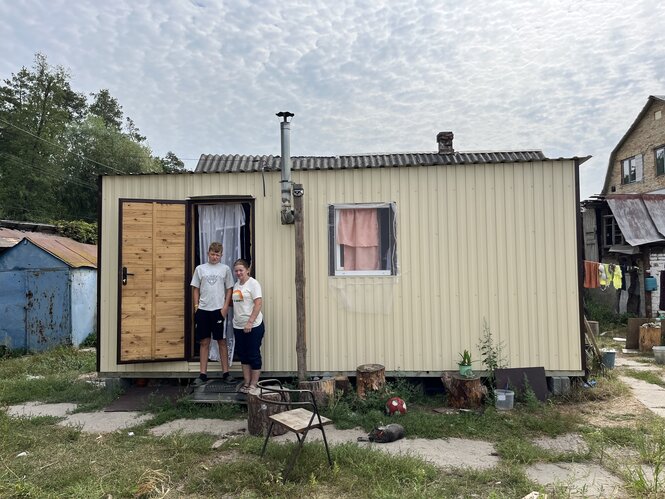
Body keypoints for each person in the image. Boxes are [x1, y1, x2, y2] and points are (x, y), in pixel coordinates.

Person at [190, 242, 235, 385]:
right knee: (204, 342)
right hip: (203, 310)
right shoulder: (200, 269)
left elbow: (229, 289)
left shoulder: (225, 269)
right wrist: (196, 306)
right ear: (208, 253)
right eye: (212, 254)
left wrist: (225, 307)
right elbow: (195, 288)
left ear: (221, 255)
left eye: (217, 254)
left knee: (221, 341)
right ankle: (203, 374)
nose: (215, 257)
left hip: (218, 310)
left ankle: (226, 373)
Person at [231, 259, 264, 393]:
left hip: (253, 326)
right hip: (238, 326)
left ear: (247, 270)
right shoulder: (236, 285)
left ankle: (253, 384)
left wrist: (250, 322)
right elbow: (239, 304)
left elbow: (258, 303)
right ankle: (246, 382)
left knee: (253, 354)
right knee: (243, 355)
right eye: (236, 271)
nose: (238, 273)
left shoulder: (253, 284)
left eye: (241, 270)